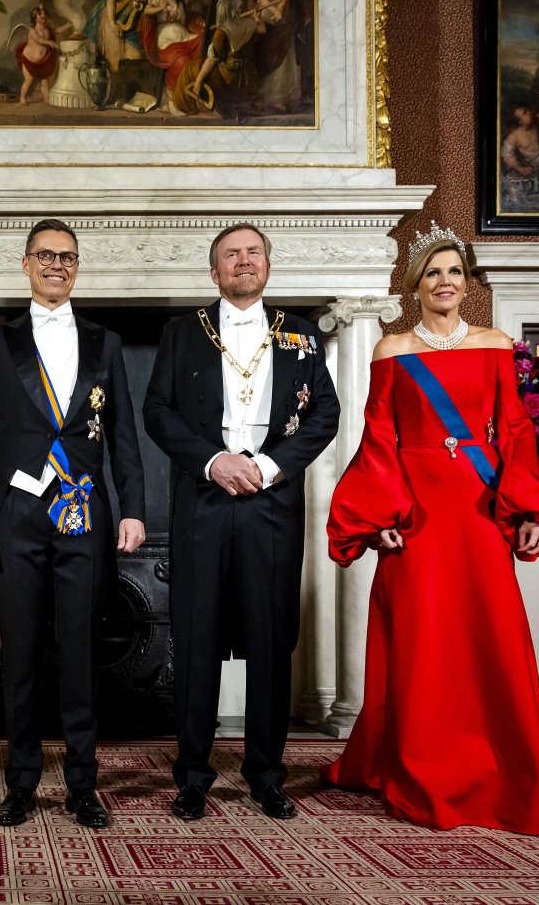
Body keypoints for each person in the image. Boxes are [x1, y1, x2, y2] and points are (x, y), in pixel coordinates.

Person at [321, 222, 539, 835]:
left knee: (485, 635)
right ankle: (425, 771)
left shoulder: (496, 342)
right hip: (418, 515)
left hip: (477, 512)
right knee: (424, 638)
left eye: (454, 271)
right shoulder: (391, 351)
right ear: (415, 285)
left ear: (467, 283)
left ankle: (498, 768)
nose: (445, 281)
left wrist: (527, 511)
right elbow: (380, 441)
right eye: (433, 272)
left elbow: (517, 436)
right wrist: (379, 519)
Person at [143, 222, 339, 821]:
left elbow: (324, 414)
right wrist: (212, 461)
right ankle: (194, 777)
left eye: (254, 253)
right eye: (232, 255)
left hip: (270, 506)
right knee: (197, 640)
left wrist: (270, 467)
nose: (244, 262)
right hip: (203, 501)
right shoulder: (182, 334)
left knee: (271, 641)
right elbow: (156, 410)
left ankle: (266, 774)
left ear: (268, 266)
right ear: (214, 271)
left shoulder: (301, 334)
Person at [0, 218, 146, 829]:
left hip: (85, 514)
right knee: (20, 654)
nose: (56, 266)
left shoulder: (106, 343)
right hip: (16, 518)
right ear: (25, 265)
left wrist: (135, 507)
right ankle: (20, 783)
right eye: (45, 256)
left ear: (77, 266)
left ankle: (82, 786)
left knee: (79, 651)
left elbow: (124, 435)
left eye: (67, 257)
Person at [15, 6, 71, 105]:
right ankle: (22, 98)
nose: (43, 15)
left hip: (42, 61)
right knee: (29, 80)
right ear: (34, 17)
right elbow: (38, 40)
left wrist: (66, 26)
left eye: (44, 13)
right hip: (29, 60)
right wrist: (49, 42)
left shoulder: (48, 29)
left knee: (45, 81)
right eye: (39, 14)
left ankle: (47, 99)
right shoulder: (33, 30)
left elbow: (57, 29)